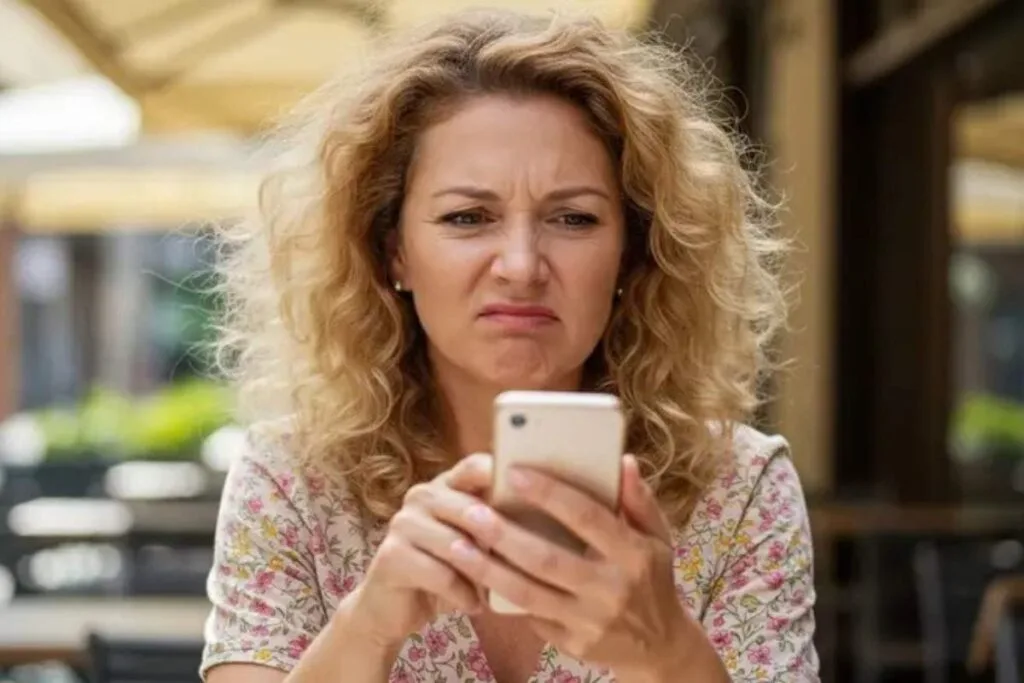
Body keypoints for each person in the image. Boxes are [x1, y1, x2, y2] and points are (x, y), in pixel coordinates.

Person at [202, 8, 818, 683]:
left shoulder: (736, 489)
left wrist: (668, 649)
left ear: (633, 252)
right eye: (468, 217)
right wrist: (369, 623)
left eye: (573, 218)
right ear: (393, 251)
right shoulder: (292, 480)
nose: (522, 264)